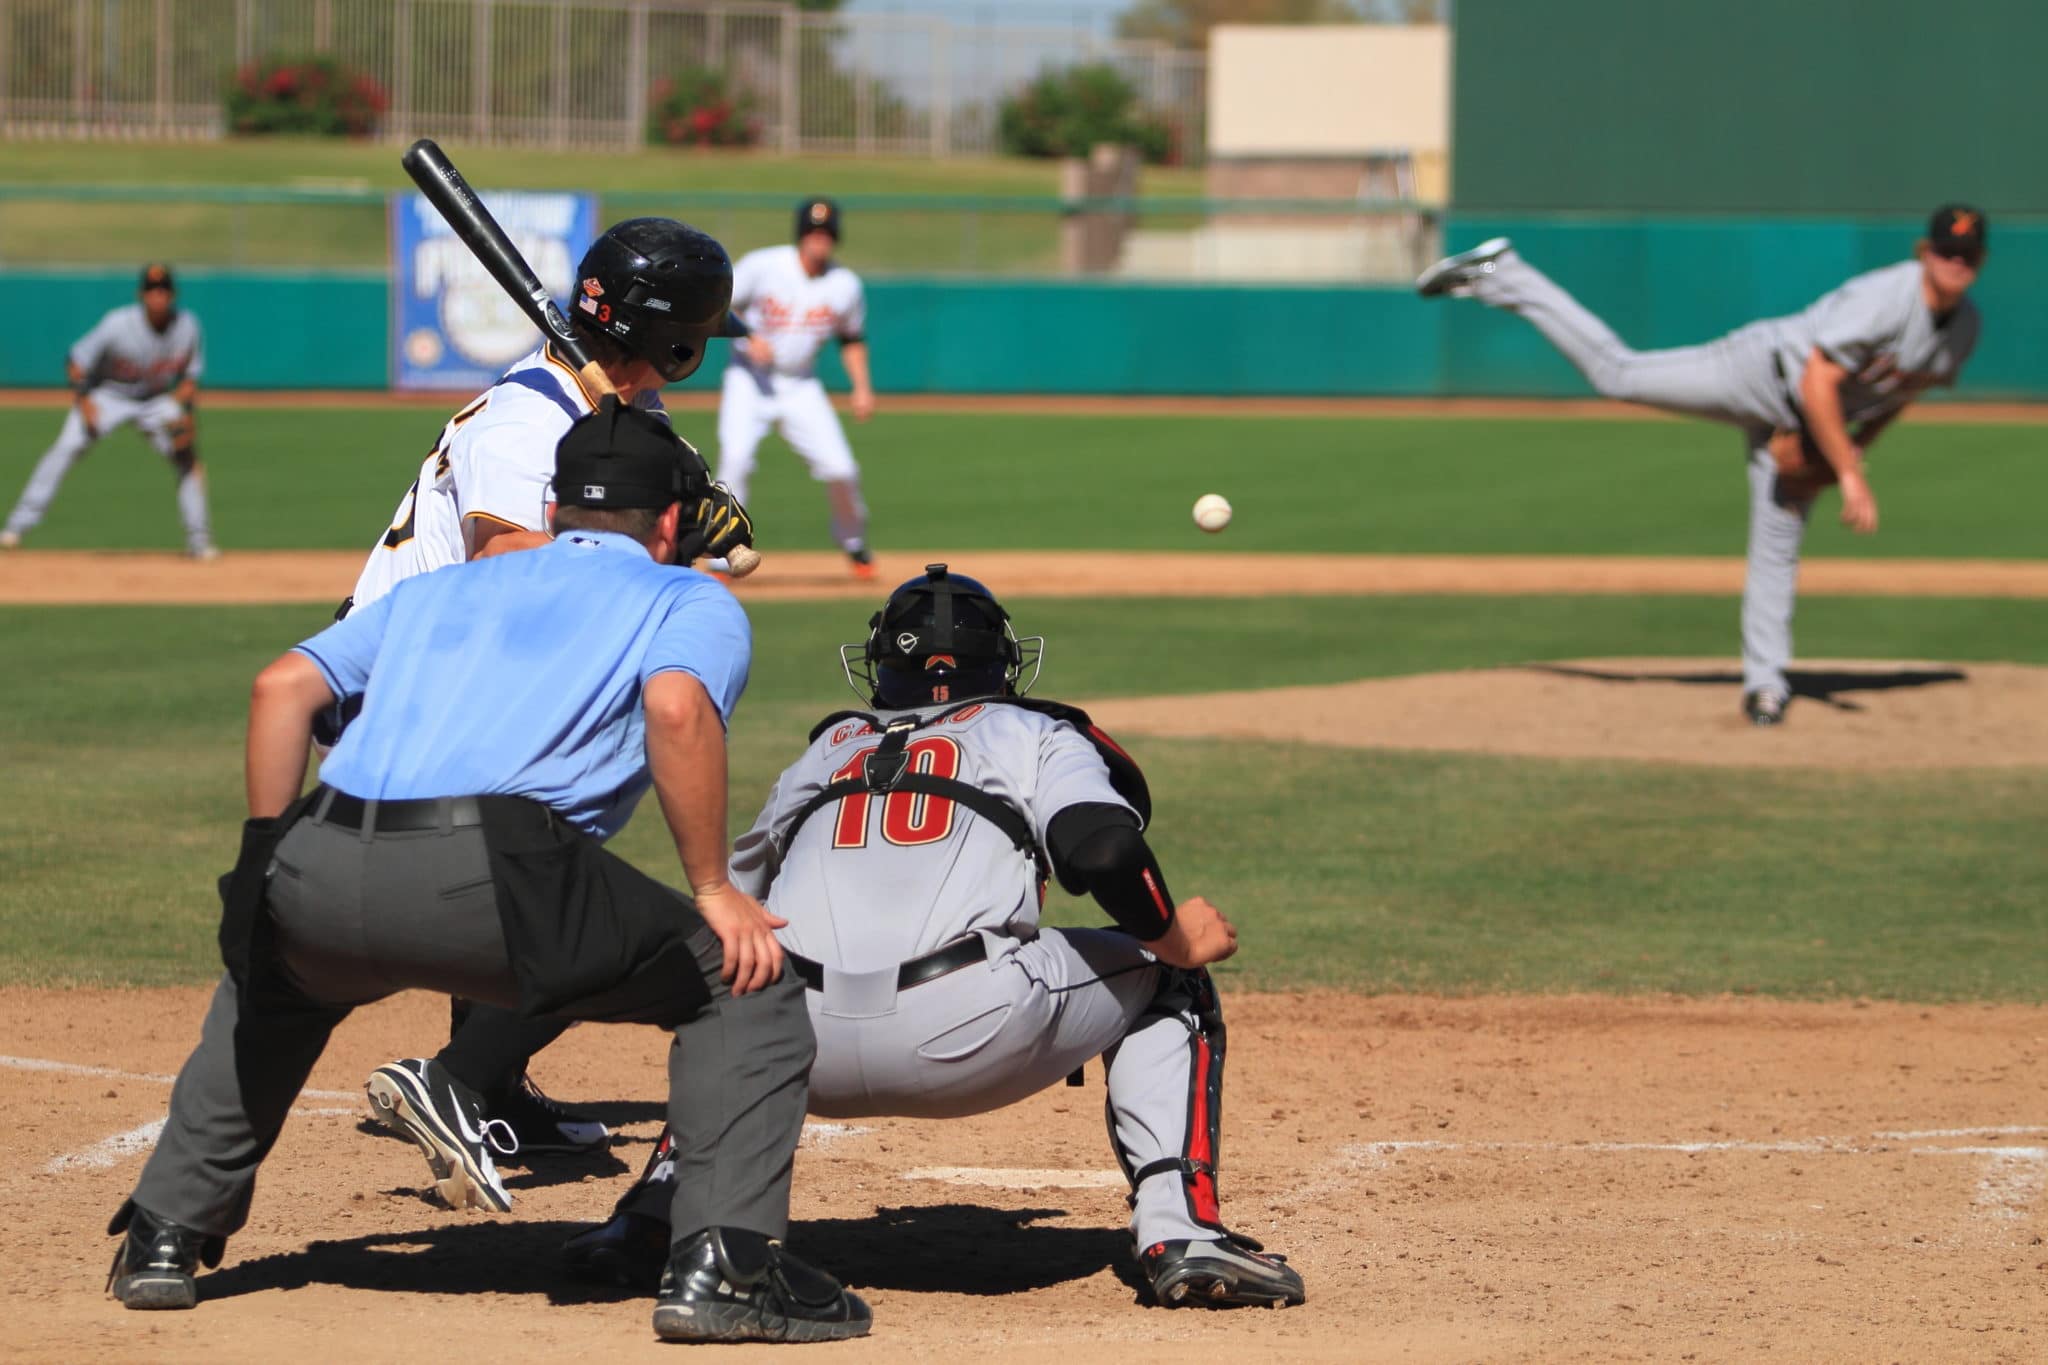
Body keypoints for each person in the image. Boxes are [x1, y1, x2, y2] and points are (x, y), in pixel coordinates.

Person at [103, 399, 869, 1344]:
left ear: (554, 507)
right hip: (493, 877)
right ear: (672, 521)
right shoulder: (689, 597)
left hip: (321, 847)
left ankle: (164, 1234)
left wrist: (265, 857)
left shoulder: (440, 589)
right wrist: (714, 890)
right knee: (743, 985)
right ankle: (727, 1267)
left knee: (270, 985)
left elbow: (284, 688)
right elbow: (676, 710)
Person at [561, 565, 1307, 1311]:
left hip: (791, 1046)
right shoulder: (1035, 731)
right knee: (1170, 975)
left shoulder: (830, 747)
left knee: (733, 985)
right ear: (1005, 662)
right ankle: (1184, 1234)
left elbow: (730, 907)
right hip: (970, 1033)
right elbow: (1103, 852)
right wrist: (1173, 937)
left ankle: (651, 1219)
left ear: (882, 665)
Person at [343, 216, 749, 1157]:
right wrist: (678, 548)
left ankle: (484, 1081)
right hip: (406, 683)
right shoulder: (529, 414)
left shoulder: (623, 416)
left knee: (540, 851)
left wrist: (698, 524)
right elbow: (505, 553)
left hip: (473, 678)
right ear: (677, 341)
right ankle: (455, 1081)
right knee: (568, 884)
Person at [1416, 204, 1987, 726]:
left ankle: (1765, 686)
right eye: (1945, 250)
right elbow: (1818, 379)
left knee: (1778, 545)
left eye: (1966, 254)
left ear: (1980, 261)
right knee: (1620, 375)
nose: (1955, 262)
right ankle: (1506, 273)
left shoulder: (1963, 331)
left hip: (1810, 423)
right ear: (1925, 251)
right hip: (1762, 374)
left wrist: (1859, 444)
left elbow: (1905, 391)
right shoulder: (1887, 298)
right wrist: (1849, 471)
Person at [714, 197, 878, 578]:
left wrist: (862, 388)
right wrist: (748, 337)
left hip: (801, 385)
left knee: (841, 468)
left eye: (826, 233)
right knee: (736, 459)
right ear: (801, 234)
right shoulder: (764, 265)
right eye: (813, 231)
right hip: (748, 380)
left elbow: (852, 338)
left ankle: (854, 543)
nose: (819, 239)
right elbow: (721, 304)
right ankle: (722, 552)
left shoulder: (844, 285)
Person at [1, 263, 213, 558]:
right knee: (66, 448)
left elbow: (189, 378)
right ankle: (15, 528)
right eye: (152, 289)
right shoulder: (118, 324)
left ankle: (199, 542)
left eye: (163, 289)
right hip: (107, 395)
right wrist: (85, 401)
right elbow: (76, 360)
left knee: (187, 459)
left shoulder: (188, 326)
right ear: (141, 294)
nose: (157, 295)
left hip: (155, 399)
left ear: (173, 294)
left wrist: (183, 414)